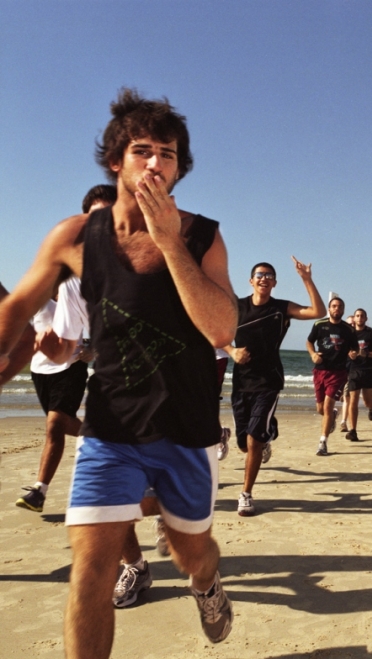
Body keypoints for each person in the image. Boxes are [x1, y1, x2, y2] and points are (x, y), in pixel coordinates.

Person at [0, 89, 238, 654]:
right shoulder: (76, 237)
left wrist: (169, 240)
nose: (156, 163)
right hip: (110, 427)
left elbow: (221, 328)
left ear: (180, 169)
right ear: (116, 161)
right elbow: (16, 308)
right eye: (142, 151)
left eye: (168, 154)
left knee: (191, 552)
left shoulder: (202, 235)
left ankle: (206, 586)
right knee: (90, 567)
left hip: (187, 427)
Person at [15, 185, 115, 513]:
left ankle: (39, 490)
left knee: (55, 425)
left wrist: (91, 351)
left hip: (71, 367)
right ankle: (105, 435)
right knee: (62, 425)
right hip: (42, 370)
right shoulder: (50, 287)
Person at [224, 259, 324, 515]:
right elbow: (213, 331)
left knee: (254, 440)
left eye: (269, 275)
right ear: (251, 281)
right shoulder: (237, 306)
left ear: (274, 283)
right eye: (259, 274)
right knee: (244, 445)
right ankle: (268, 434)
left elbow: (317, 312)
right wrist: (231, 350)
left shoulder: (281, 308)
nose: (264, 278)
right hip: (241, 383)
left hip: (269, 382)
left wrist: (306, 279)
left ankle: (245, 494)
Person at [306, 297, 358, 456]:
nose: (337, 309)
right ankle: (334, 415)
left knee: (327, 406)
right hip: (320, 371)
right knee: (321, 409)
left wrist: (354, 353)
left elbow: (355, 349)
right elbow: (309, 341)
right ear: (329, 309)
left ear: (343, 310)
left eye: (340, 306)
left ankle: (323, 443)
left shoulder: (348, 330)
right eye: (334, 306)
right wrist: (313, 354)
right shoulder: (319, 325)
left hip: (338, 373)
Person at [343, 308, 372, 442]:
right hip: (354, 370)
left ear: (366, 319)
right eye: (357, 316)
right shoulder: (348, 334)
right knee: (353, 401)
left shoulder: (371, 333)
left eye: (362, 316)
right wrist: (349, 354)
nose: (359, 318)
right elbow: (342, 350)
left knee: (367, 402)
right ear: (354, 319)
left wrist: (367, 354)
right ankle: (353, 431)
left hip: (369, 370)